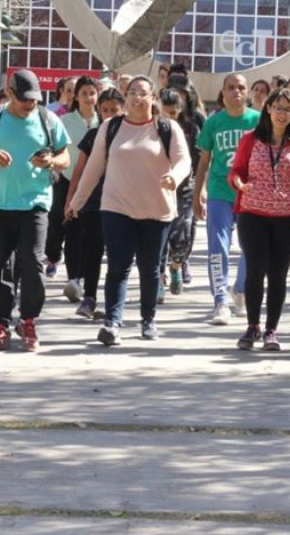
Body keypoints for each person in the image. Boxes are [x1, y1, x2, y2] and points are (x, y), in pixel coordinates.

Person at [67, 76, 191, 345]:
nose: (136, 98)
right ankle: (112, 322)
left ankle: (148, 320)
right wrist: (77, 201)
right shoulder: (111, 127)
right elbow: (94, 167)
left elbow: (184, 160)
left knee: (149, 269)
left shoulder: (167, 128)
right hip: (116, 207)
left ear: (153, 98)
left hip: (156, 210)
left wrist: (174, 177)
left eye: (143, 93)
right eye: (132, 92)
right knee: (118, 267)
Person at [0, 69, 71, 352]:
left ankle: (29, 319)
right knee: (0, 266)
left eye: (34, 100)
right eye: (24, 100)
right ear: (9, 93)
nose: (30, 105)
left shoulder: (48, 119)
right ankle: (1, 324)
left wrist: (50, 162)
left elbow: (65, 156)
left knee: (33, 262)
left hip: (35, 203)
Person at [229, 88, 290, 351]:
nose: (281, 113)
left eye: (288, 109)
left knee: (278, 273)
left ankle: (271, 330)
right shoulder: (250, 139)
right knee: (255, 270)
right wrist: (239, 183)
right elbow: (236, 172)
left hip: (288, 217)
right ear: (268, 109)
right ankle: (252, 326)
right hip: (253, 214)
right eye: (277, 107)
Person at [194, 73, 260, 325]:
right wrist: (199, 193)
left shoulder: (258, 121)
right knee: (218, 247)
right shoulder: (214, 123)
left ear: (248, 93)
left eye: (241, 87)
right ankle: (220, 300)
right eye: (230, 88)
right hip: (220, 192)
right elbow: (203, 162)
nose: (236, 92)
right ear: (222, 93)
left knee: (250, 247)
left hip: (250, 194)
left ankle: (240, 289)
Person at [64, 87, 125, 320]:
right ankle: (89, 297)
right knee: (93, 250)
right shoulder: (92, 136)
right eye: (105, 109)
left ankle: (114, 304)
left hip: (121, 203)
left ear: (123, 110)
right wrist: (71, 200)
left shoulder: (128, 135)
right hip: (93, 203)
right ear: (99, 110)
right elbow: (79, 170)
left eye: (114, 110)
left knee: (119, 254)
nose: (109, 114)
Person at [52, 76, 100, 303]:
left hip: (97, 185)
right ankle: (73, 279)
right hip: (68, 181)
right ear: (76, 97)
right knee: (72, 231)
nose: (89, 98)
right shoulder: (65, 120)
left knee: (90, 235)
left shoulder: (105, 122)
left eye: (92, 93)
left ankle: (83, 276)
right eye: (84, 94)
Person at [157, 88, 204, 296]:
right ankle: (158, 278)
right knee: (158, 236)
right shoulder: (151, 129)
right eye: (164, 114)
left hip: (185, 187)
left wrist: (202, 189)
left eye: (173, 114)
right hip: (157, 188)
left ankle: (176, 265)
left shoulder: (191, 129)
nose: (169, 120)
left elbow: (201, 160)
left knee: (184, 231)